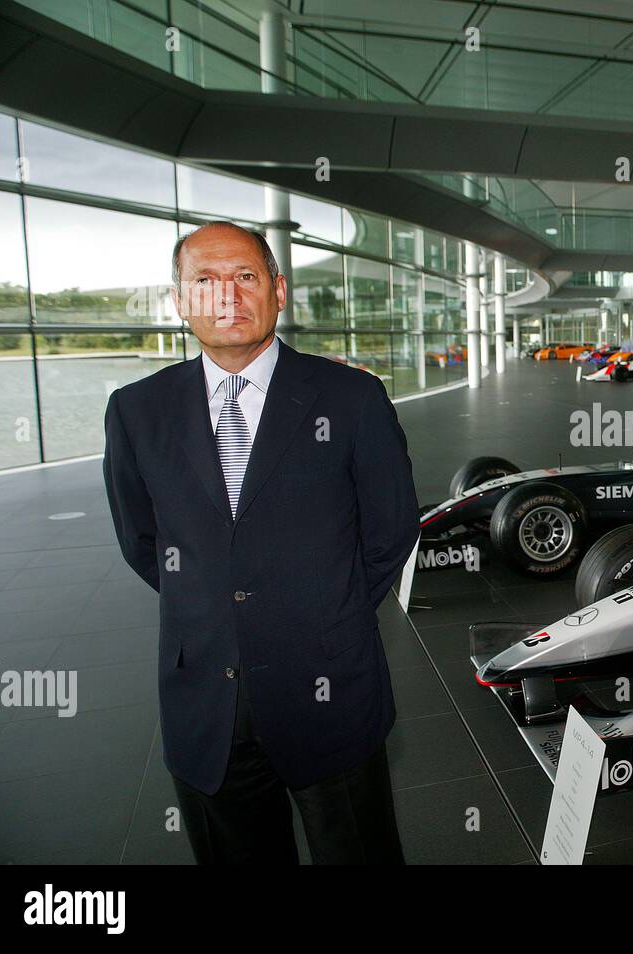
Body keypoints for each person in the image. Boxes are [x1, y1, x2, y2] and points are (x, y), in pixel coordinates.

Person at [103, 221, 420, 864]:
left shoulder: (352, 397)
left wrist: (325, 612)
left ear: (278, 291)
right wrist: (214, 606)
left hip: (330, 688)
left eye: (245, 277)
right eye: (205, 281)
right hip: (206, 704)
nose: (227, 296)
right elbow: (143, 540)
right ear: (180, 301)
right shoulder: (136, 411)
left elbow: (390, 530)